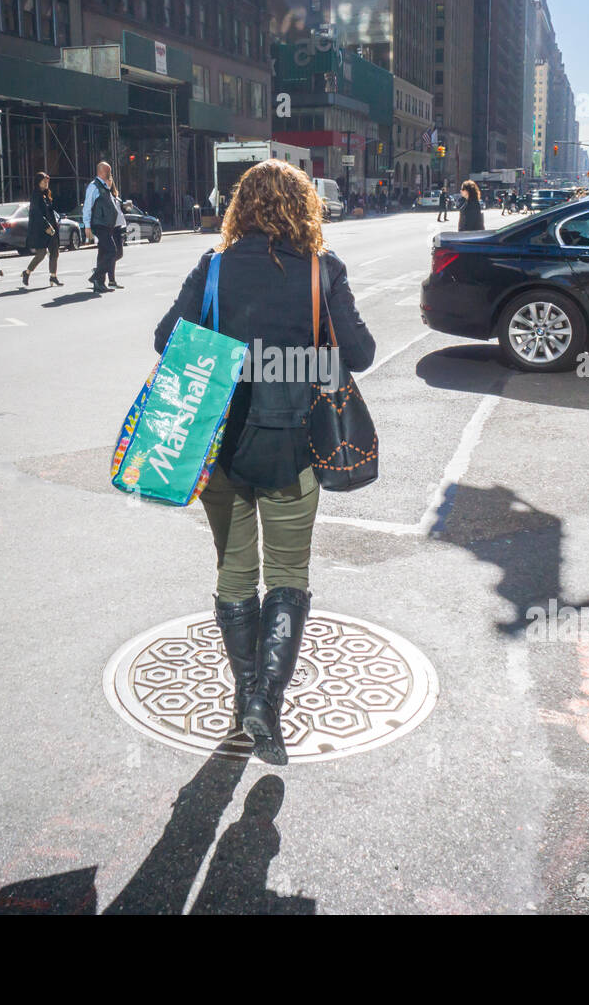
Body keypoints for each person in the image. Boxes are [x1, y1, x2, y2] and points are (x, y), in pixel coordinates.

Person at [154, 159, 376, 765]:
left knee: (233, 570)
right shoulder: (322, 272)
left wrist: (231, 345)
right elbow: (359, 352)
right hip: (293, 448)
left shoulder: (215, 268)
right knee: (287, 577)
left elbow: (166, 340)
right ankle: (264, 704)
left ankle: (245, 692)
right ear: (304, 208)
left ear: (240, 209)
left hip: (219, 445)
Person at [21, 171, 61, 287]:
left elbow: (50, 212)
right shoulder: (35, 195)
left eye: (47, 181)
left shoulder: (46, 194)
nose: (46, 183)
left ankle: (53, 277)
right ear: (38, 182)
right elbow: (37, 213)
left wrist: (53, 224)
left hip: (51, 227)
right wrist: (46, 226)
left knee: (55, 252)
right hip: (41, 229)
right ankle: (27, 272)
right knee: (41, 253)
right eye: (44, 181)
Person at [86, 161, 118, 294]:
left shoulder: (104, 186)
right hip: (99, 225)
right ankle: (96, 276)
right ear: (102, 172)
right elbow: (87, 207)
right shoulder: (94, 186)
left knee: (103, 252)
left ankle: (99, 283)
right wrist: (87, 227)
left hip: (105, 224)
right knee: (112, 251)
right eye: (108, 171)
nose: (110, 174)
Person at [107, 178, 127, 289]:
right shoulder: (105, 195)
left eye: (110, 181)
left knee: (119, 254)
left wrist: (126, 207)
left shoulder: (115, 196)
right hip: (111, 228)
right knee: (114, 254)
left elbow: (119, 211)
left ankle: (102, 268)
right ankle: (111, 281)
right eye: (107, 181)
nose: (109, 183)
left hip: (118, 226)